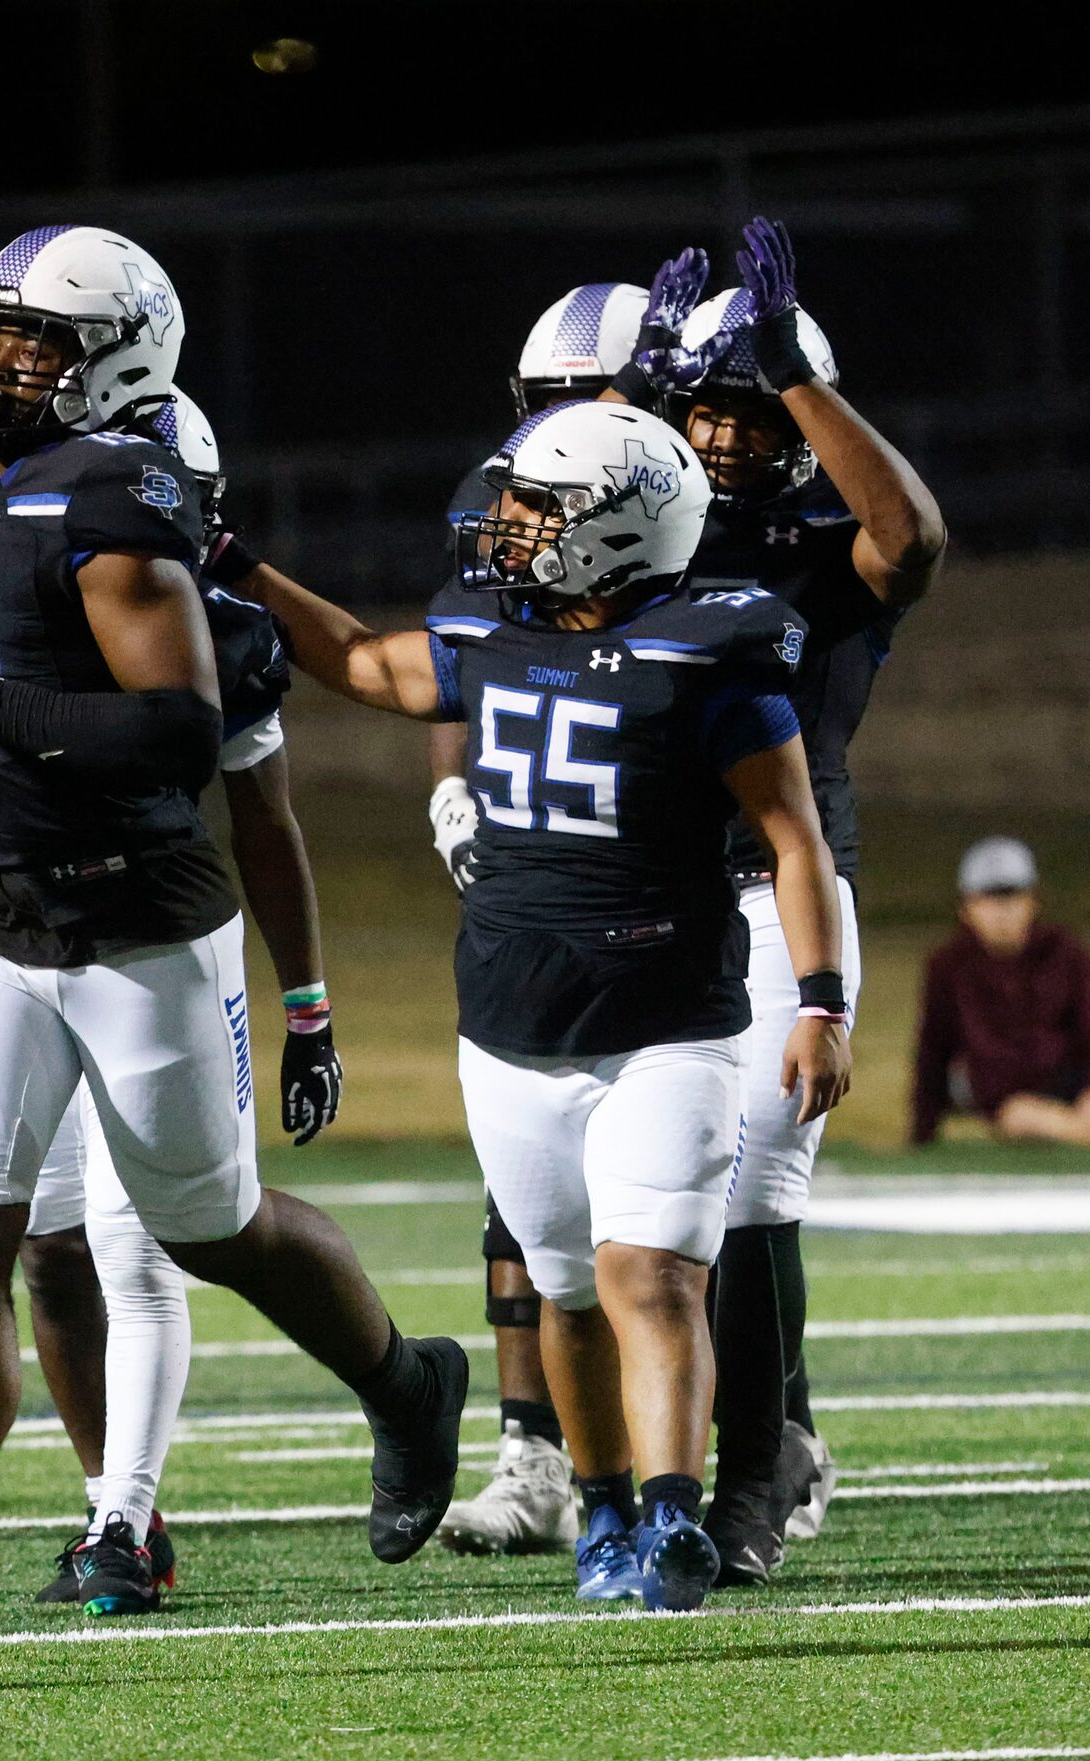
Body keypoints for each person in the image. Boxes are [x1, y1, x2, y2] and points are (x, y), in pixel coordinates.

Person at [0, 226, 464, 1673]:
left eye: (32, 340)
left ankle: (402, 1378)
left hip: (138, 924)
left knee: (205, 1227)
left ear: (115, 355)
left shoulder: (118, 494)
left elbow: (172, 728)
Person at [249, 397, 850, 1612]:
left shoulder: (710, 654)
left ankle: (674, 1517)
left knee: (656, 1276)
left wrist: (821, 1002)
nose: (508, 523)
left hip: (669, 1016)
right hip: (510, 1022)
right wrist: (235, 567)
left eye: (538, 505)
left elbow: (793, 838)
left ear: (620, 528)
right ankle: (607, 1512)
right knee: (567, 1289)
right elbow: (363, 662)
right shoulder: (486, 628)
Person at [631, 218, 944, 1568]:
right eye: (703, 416)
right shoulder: (636, 526)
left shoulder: (827, 542)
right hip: (635, 884)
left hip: (782, 889)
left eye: (754, 416)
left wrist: (792, 370)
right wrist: (633, 397)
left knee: (755, 1188)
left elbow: (910, 533)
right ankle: (737, 1435)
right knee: (650, 1197)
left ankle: (749, 1479)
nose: (725, 441)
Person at [14, 391, 340, 1615]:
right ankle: (117, 1504)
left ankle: (119, 1517)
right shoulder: (4, 589)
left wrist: (308, 1004)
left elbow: (268, 826)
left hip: (151, 941)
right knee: (44, 1252)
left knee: (137, 1238)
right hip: (6, 935)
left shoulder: (228, 630)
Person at [427, 281, 650, 1562]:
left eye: (595, 397)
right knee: (530, 1195)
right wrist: (452, 787)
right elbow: (456, 655)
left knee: (687, 1209)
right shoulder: (497, 502)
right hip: (536, 879)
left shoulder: (686, 509)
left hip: (667, 880)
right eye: (553, 403)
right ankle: (534, 1456)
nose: (565, 429)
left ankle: (752, 1433)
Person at [908, 836, 1090, 1147]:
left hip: (1075, 1087)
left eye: (1012, 897)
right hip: (1009, 1102)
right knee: (1022, 1117)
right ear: (966, 908)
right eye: (988, 899)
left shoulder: (1064, 951)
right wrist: (922, 1132)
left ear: (1033, 901)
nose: (1002, 912)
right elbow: (932, 1052)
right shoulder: (949, 966)